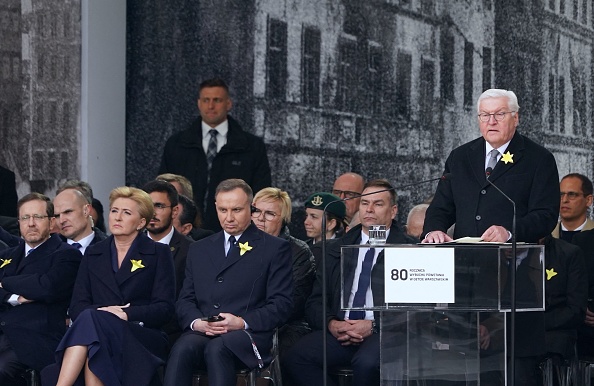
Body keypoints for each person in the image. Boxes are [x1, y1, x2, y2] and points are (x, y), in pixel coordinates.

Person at [422, 89, 560, 385]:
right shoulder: (461, 157)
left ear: (515, 118)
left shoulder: (538, 159)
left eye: (499, 114)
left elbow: (546, 215)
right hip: (465, 280)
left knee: (512, 373)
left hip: (514, 281)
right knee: (461, 371)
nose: (491, 121)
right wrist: (434, 229)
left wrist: (509, 231)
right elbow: (440, 209)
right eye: (485, 115)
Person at [284, 179, 417, 386]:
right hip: (341, 331)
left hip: (385, 333)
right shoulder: (336, 248)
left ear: (393, 211)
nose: (369, 210)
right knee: (295, 357)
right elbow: (315, 301)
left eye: (378, 204)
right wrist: (332, 323)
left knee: (366, 364)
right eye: (364, 204)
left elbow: (417, 309)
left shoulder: (410, 250)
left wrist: (374, 326)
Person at [163, 179, 293, 386]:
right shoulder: (199, 249)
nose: (229, 217)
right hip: (204, 329)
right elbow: (185, 300)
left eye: (237, 210)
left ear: (251, 209)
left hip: (249, 334)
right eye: (223, 210)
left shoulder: (275, 248)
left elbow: (281, 305)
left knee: (218, 348)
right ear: (215, 207)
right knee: (182, 347)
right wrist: (198, 322)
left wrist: (241, 322)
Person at [43, 187, 176, 386]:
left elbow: (164, 308)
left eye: (126, 213)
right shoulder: (94, 253)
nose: (118, 217)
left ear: (141, 223)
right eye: (114, 210)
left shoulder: (159, 253)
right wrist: (104, 314)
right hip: (97, 334)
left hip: (140, 335)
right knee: (94, 334)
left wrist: (126, 314)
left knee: (92, 326)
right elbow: (78, 306)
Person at [159, 78, 271, 232]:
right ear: (199, 104)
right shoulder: (177, 144)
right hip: (184, 233)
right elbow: (162, 191)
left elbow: (261, 195)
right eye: (206, 100)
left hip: (234, 232)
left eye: (217, 100)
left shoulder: (251, 147)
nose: (211, 106)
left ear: (228, 104)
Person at [0, 193, 81, 384]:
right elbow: (37, 284)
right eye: (25, 218)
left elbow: (47, 287)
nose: (31, 223)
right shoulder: (6, 255)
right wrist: (17, 297)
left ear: (52, 222)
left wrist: (5, 283)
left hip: (34, 339)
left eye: (38, 217)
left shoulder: (67, 255)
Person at [252, 187, 316, 357]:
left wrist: (247, 319)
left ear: (284, 219)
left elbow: (291, 304)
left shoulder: (299, 252)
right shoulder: (238, 244)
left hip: (286, 326)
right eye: (256, 211)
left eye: (269, 214)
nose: (260, 218)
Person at [142, 179, 194, 344]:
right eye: (148, 206)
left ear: (175, 210)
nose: (153, 213)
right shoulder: (128, 246)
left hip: (174, 334)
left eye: (159, 206)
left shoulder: (192, 250)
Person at [541, 235, 587, 364]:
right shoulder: (506, 253)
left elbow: (576, 310)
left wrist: (536, 323)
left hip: (555, 332)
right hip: (513, 331)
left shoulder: (569, 253)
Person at [53, 187, 107, 254]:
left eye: (68, 212)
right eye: (57, 216)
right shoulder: (48, 251)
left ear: (86, 211)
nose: (61, 220)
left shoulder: (111, 247)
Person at [303, 192, 347, 268]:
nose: (306, 222)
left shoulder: (344, 252)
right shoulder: (301, 250)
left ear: (331, 223)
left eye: (314, 217)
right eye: (307, 216)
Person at [552, 173, 594, 242]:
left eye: (572, 195)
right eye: (561, 194)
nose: (564, 200)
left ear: (588, 200)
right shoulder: (544, 236)